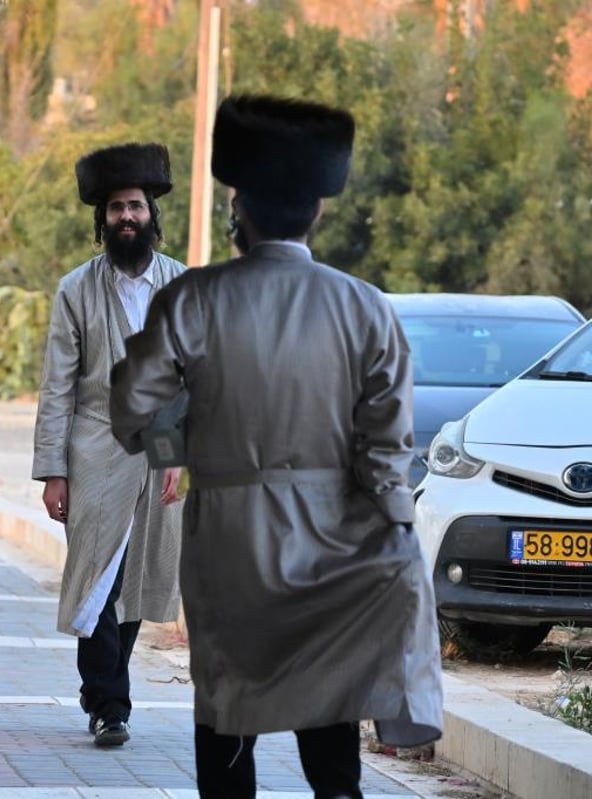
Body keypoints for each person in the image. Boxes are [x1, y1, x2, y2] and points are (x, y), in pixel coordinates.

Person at [109, 95, 444, 798]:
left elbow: (132, 410)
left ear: (239, 208)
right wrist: (390, 532)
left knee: (227, 707)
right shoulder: (365, 307)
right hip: (339, 542)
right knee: (329, 717)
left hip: (230, 539)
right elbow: (388, 451)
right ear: (318, 210)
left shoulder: (191, 300)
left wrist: (186, 440)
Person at [32, 142, 186, 747]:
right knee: (97, 577)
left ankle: (105, 691)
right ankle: (109, 705)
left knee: (138, 581)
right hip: (94, 449)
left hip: (158, 453)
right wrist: (53, 471)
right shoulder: (76, 289)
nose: (128, 217)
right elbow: (58, 384)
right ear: (103, 220)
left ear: (152, 215)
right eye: (117, 208)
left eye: (137, 207)